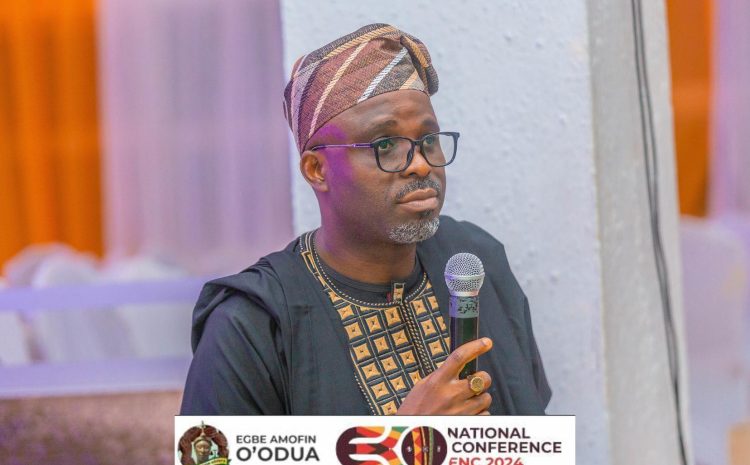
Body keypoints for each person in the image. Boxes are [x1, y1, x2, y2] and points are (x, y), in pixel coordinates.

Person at [180, 23, 551, 415]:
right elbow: (211, 447)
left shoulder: (474, 262)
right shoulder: (250, 324)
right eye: (385, 145)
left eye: (428, 140)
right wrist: (401, 440)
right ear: (317, 170)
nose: (421, 164)